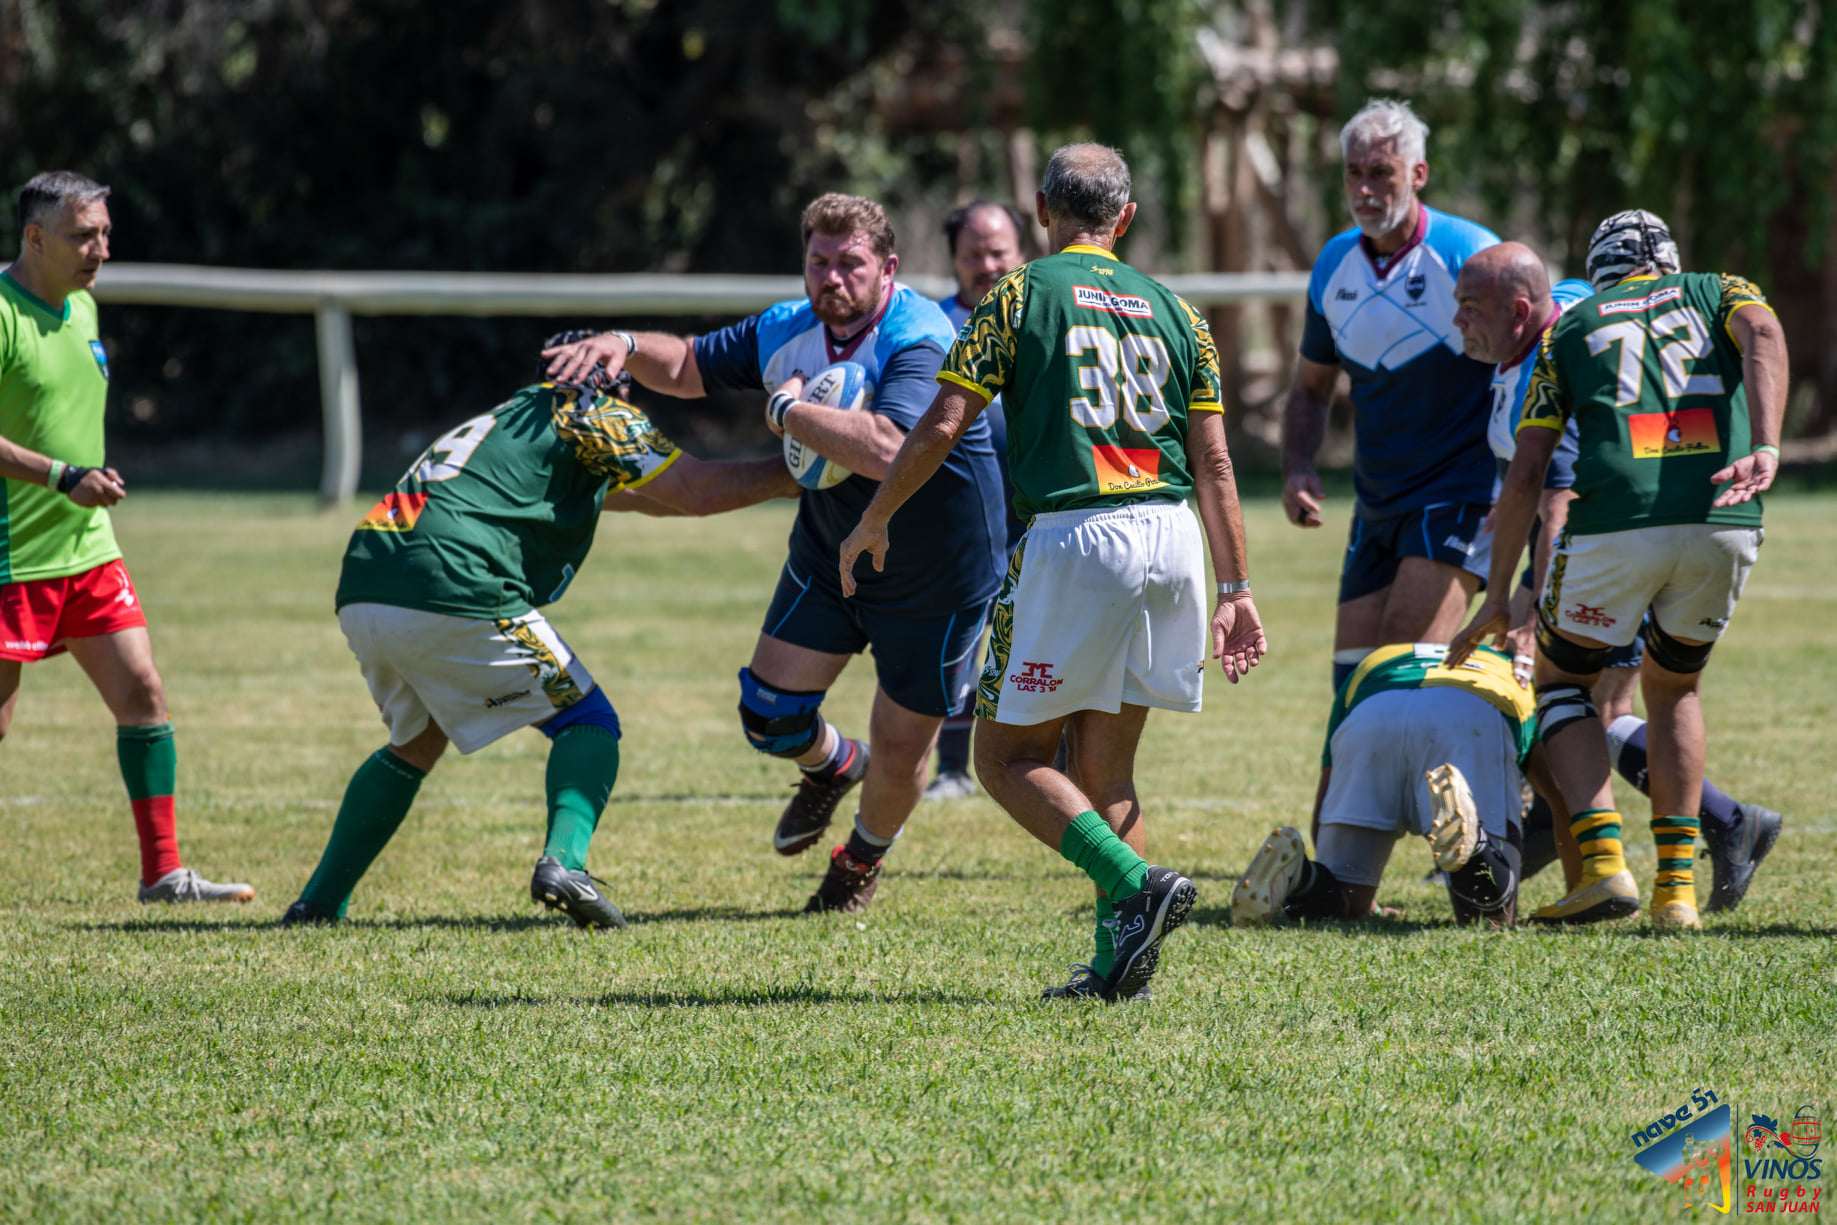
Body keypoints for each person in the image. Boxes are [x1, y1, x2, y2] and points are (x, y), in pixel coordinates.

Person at [838, 143, 1267, 1002]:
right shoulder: (1180, 311)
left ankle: (1136, 884)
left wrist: (873, 515)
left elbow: (944, 420)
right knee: (1106, 771)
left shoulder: (1022, 292)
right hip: (1172, 538)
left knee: (1003, 757)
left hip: (1076, 537)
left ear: (1041, 211)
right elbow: (1215, 465)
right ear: (1126, 218)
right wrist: (1236, 588)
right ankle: (1121, 974)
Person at [544, 194, 1005, 915]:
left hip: (937, 571)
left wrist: (786, 412)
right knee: (769, 712)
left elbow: (890, 448)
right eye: (817, 264)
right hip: (832, 551)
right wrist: (626, 345)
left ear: (887, 268)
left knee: (901, 743)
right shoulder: (787, 329)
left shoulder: (921, 334)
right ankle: (830, 765)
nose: (832, 279)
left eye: (849, 264)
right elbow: (690, 366)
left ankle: (857, 861)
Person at [283, 346, 799, 927]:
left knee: (417, 740)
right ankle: (565, 864)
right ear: (613, 383)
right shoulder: (591, 409)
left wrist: (772, 483)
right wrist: (796, 472)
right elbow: (695, 490)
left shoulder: (510, 420)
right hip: (453, 580)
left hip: (367, 580)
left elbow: (650, 497)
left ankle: (318, 904)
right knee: (587, 721)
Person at [1449, 209, 1786, 930]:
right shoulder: (1720, 288)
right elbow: (1761, 331)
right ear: (1667, 259)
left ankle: (1603, 866)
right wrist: (1766, 444)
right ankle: (1675, 893)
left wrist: (1502, 595)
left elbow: (1529, 470)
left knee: (1561, 683)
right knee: (1674, 688)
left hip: (1613, 524)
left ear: (1596, 271)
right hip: (1722, 513)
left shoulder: (1571, 326)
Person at [0, 171, 251, 904]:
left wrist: (84, 483)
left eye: (105, 232)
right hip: (12, 554)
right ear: (35, 237)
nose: (101, 249)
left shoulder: (82, 307)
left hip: (86, 544)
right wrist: (60, 475)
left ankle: (164, 874)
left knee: (143, 690)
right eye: (84, 235)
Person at [1278, 99, 1501, 691]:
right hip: (1376, 502)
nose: (1365, 189)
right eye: (1355, 173)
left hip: (1460, 494)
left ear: (1418, 175)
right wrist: (1298, 466)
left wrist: (1532, 485)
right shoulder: (1333, 264)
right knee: (1353, 684)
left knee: (1402, 678)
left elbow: (1526, 374)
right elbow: (1310, 388)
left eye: (1382, 173)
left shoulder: (1471, 255)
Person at [1231, 643, 1549, 928]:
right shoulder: (1519, 671)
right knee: (1489, 918)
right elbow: (1557, 796)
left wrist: (1339, 868)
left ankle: (1301, 877)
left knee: (1347, 900)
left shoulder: (1379, 657)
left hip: (1374, 712)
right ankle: (1475, 843)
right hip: (1469, 713)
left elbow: (1327, 791)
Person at [925, 199, 1031, 799]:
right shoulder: (930, 326)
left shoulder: (1046, 315)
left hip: (1043, 511)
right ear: (953, 261)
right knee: (960, 644)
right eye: (972, 255)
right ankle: (951, 769)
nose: (986, 265)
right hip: (960, 517)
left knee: (1048, 641)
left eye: (998, 252)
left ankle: (1060, 761)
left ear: (1022, 253)